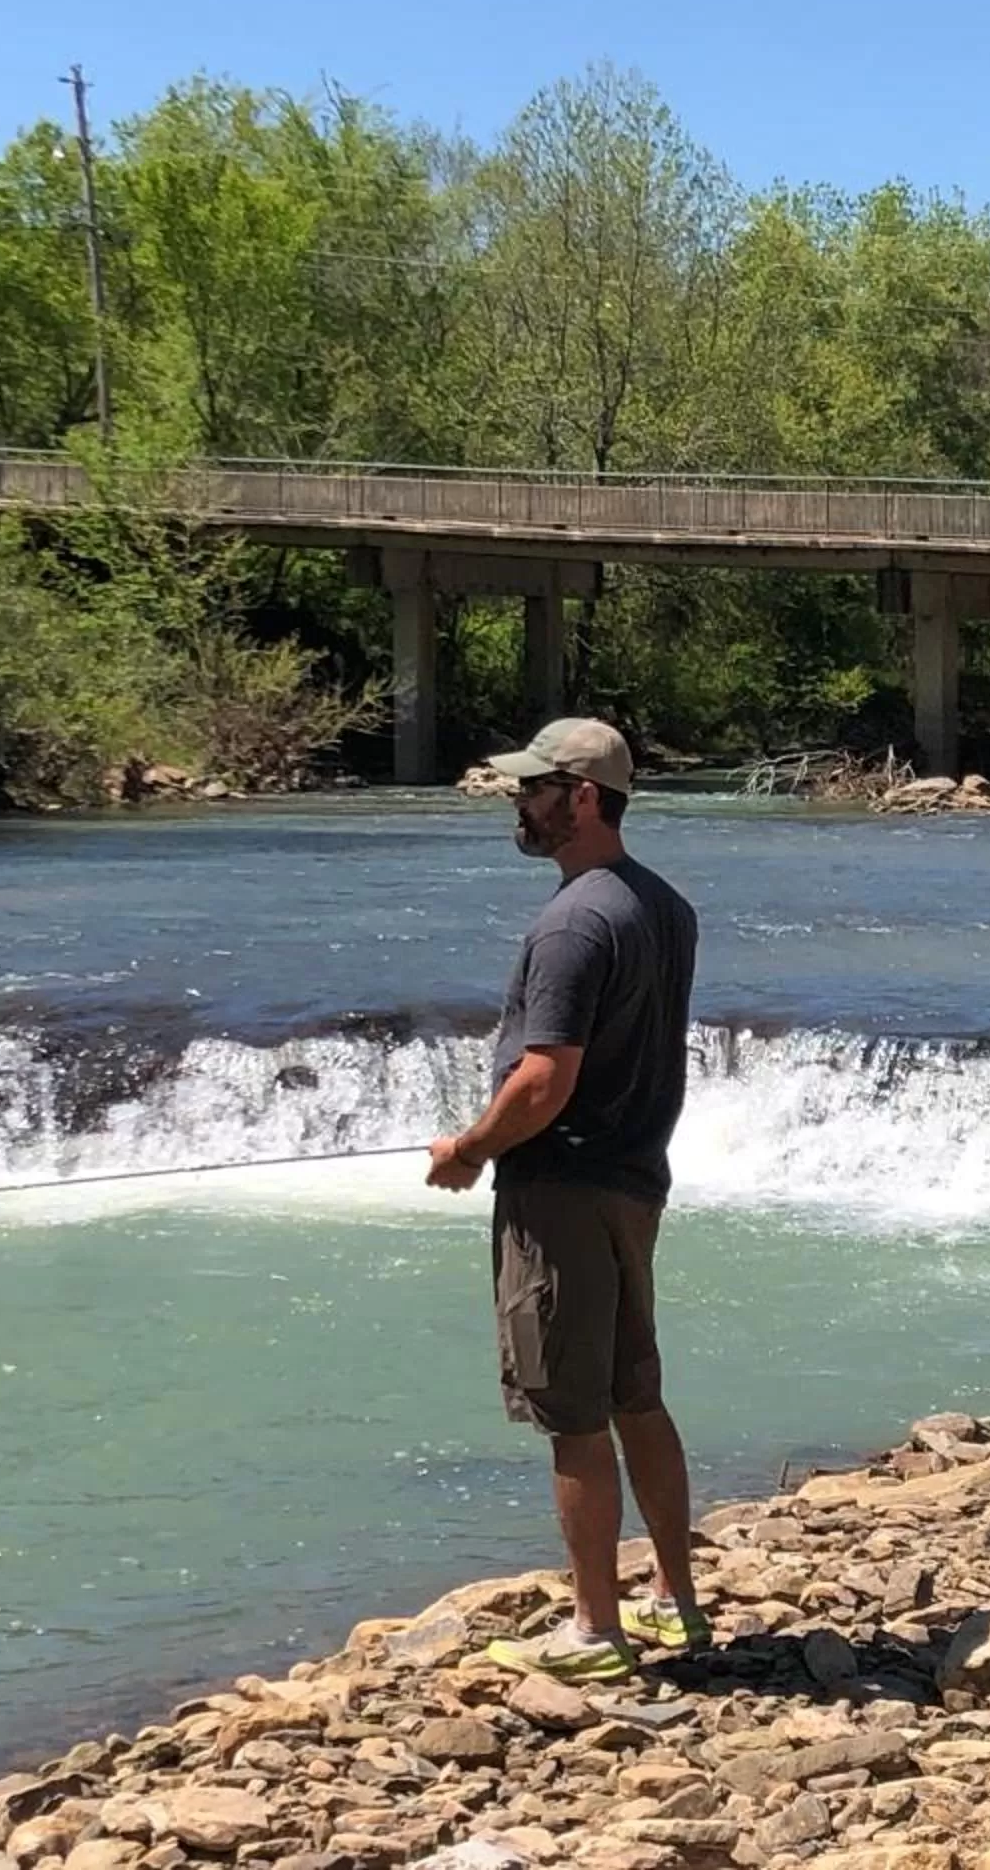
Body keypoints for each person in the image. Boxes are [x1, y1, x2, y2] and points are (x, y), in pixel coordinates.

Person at [426, 716, 707, 1682]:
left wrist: (467, 1148)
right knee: (638, 1396)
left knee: (572, 1413)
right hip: (634, 1185)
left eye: (534, 788)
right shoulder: (665, 907)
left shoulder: (575, 921)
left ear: (583, 798)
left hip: (562, 1192)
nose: (518, 802)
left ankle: (594, 1632)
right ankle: (676, 1602)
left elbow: (545, 1079)